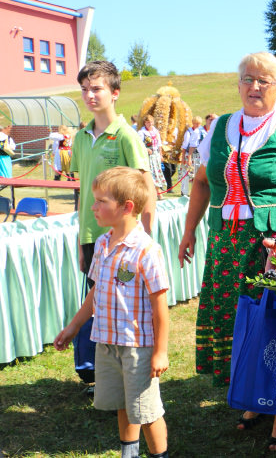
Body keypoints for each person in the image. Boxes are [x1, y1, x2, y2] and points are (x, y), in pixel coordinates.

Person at [177, 51, 276, 451]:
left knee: (273, 322)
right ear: (238, 84)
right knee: (236, 320)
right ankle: (253, 399)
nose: (254, 87)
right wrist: (189, 230)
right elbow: (202, 182)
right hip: (225, 243)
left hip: (274, 244)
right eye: (247, 79)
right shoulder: (220, 126)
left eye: (264, 81)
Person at [54, 166, 170, 458]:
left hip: (137, 348)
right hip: (107, 344)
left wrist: (160, 351)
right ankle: (128, 454)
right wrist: (72, 328)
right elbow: (95, 293)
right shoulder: (104, 244)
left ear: (126, 207)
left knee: (146, 411)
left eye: (100, 201)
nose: (92, 207)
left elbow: (160, 308)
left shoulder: (146, 250)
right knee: (123, 404)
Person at [70, 60, 156, 387]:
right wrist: (81, 240)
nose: (89, 95)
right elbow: (85, 190)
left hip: (124, 238)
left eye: (97, 88)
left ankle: (119, 370)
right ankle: (92, 371)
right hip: (93, 238)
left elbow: (146, 188)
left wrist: (147, 238)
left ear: (114, 93)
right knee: (96, 299)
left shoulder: (126, 136)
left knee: (119, 302)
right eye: (84, 89)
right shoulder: (80, 138)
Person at [137, 115, 166, 199]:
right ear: (145, 123)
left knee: (157, 172)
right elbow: (139, 144)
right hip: (147, 156)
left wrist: (160, 154)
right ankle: (157, 193)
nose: (150, 124)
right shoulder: (141, 133)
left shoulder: (155, 131)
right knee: (151, 173)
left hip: (155, 155)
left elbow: (159, 144)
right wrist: (146, 149)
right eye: (148, 122)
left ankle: (157, 192)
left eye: (151, 122)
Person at [179, 116, 204, 197]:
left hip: (198, 156)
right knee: (186, 174)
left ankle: (195, 192)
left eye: (199, 124)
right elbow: (184, 146)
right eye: (195, 123)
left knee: (197, 174)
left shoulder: (201, 132)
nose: (197, 125)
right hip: (188, 155)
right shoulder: (189, 132)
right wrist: (183, 158)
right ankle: (184, 192)